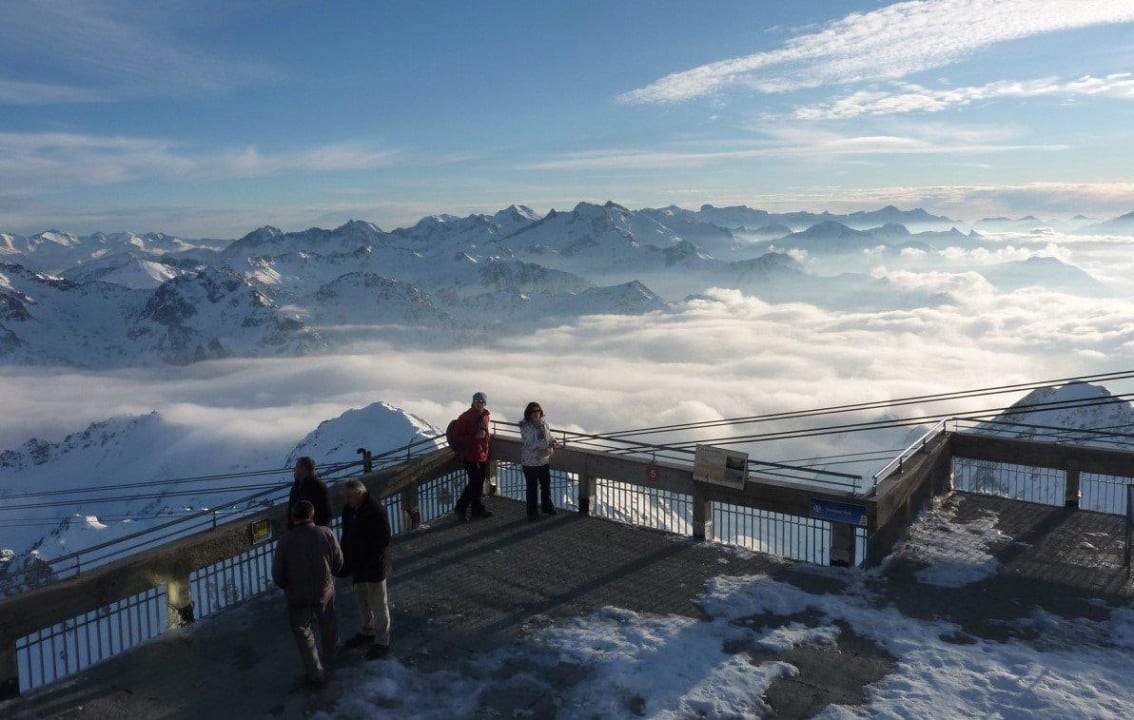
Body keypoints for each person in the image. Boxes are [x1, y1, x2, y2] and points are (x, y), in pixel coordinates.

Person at [272, 499, 344, 688]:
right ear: (312, 515)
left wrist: (288, 586)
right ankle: (333, 660)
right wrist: (330, 578)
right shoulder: (326, 533)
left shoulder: (285, 541)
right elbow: (339, 562)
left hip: (298, 594)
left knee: (304, 633)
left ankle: (315, 673)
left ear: (293, 518)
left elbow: (278, 575)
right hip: (325, 590)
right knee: (328, 624)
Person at [338, 478, 393, 660]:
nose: (347, 501)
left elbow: (384, 539)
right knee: (363, 601)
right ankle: (367, 630)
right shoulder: (349, 510)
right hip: (357, 563)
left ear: (359, 494)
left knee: (378, 602)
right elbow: (346, 535)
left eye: (349, 496)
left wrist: (372, 558)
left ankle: (382, 641)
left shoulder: (376, 511)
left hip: (373, 563)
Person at [452, 391, 493, 521]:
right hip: (470, 456)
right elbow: (457, 437)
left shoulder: (486, 415)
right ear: (473, 402)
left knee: (478, 483)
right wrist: (475, 438)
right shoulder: (465, 418)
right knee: (474, 483)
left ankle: (477, 509)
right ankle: (461, 508)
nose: (480, 403)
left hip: (482, 455)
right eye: (477, 401)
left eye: (482, 401)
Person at [519, 401, 559, 519]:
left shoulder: (544, 424)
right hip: (530, 462)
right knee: (532, 487)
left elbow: (548, 436)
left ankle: (547, 507)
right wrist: (545, 445)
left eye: (538, 411)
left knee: (546, 485)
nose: (536, 413)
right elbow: (528, 443)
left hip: (543, 460)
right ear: (529, 413)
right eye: (533, 411)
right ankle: (532, 512)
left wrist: (553, 441)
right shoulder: (525, 426)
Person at [288, 456, 332, 529]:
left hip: (314, 533)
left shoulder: (317, 486)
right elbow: (290, 511)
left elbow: (326, 513)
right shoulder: (296, 486)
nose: (294, 469)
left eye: (296, 467)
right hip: (298, 533)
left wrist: (314, 530)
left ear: (303, 468)